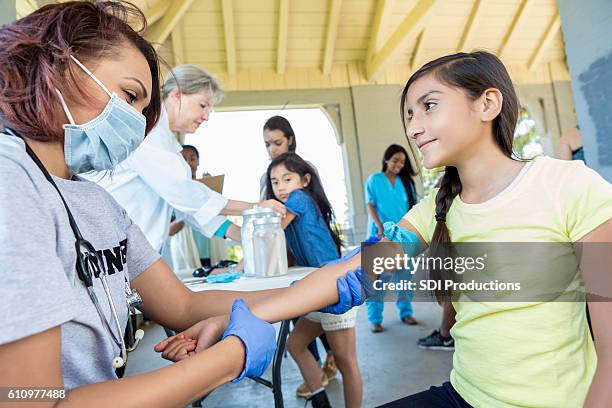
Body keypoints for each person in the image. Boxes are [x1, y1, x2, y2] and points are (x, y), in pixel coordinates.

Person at [0, 2, 364, 405]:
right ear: (58, 64)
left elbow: (182, 303)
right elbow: (30, 400)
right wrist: (230, 356)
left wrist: (315, 290)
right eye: (130, 95)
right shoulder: (10, 178)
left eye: (143, 109)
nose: (137, 124)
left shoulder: (95, 200)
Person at [377, 51, 612, 407]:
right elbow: (364, 268)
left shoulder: (569, 185)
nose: (412, 127)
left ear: (487, 104)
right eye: (410, 114)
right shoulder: (438, 206)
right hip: (463, 395)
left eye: (428, 106)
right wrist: (261, 310)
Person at [84, 64, 285, 253]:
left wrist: (244, 236)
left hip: (131, 250)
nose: (206, 116)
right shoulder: (146, 132)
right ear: (177, 95)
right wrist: (254, 207)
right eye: (203, 105)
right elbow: (185, 194)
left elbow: (190, 210)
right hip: (110, 244)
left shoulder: (165, 143)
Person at [265, 153, 362, 408]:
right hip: (317, 288)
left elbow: (270, 233)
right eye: (275, 182)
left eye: (287, 178)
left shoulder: (298, 198)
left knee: (346, 362)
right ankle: (320, 401)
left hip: (335, 286)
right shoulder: (295, 204)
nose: (281, 186)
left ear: (305, 180)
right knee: (295, 344)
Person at [260, 115, 338, 394]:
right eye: (267, 144)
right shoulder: (284, 188)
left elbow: (273, 229)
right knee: (308, 317)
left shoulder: (297, 190)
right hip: (304, 266)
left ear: (290, 140)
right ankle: (316, 370)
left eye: (277, 142)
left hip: (321, 268)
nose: (272, 149)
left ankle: (321, 369)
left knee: (319, 320)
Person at [365, 144, 419, 332]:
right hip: (379, 236)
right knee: (377, 280)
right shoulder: (375, 179)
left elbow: (414, 209)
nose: (399, 164)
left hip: (403, 237)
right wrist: (380, 227)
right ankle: (375, 319)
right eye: (395, 160)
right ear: (386, 159)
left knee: (404, 278)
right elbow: (370, 205)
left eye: (403, 162)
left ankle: (406, 312)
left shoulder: (407, 183)